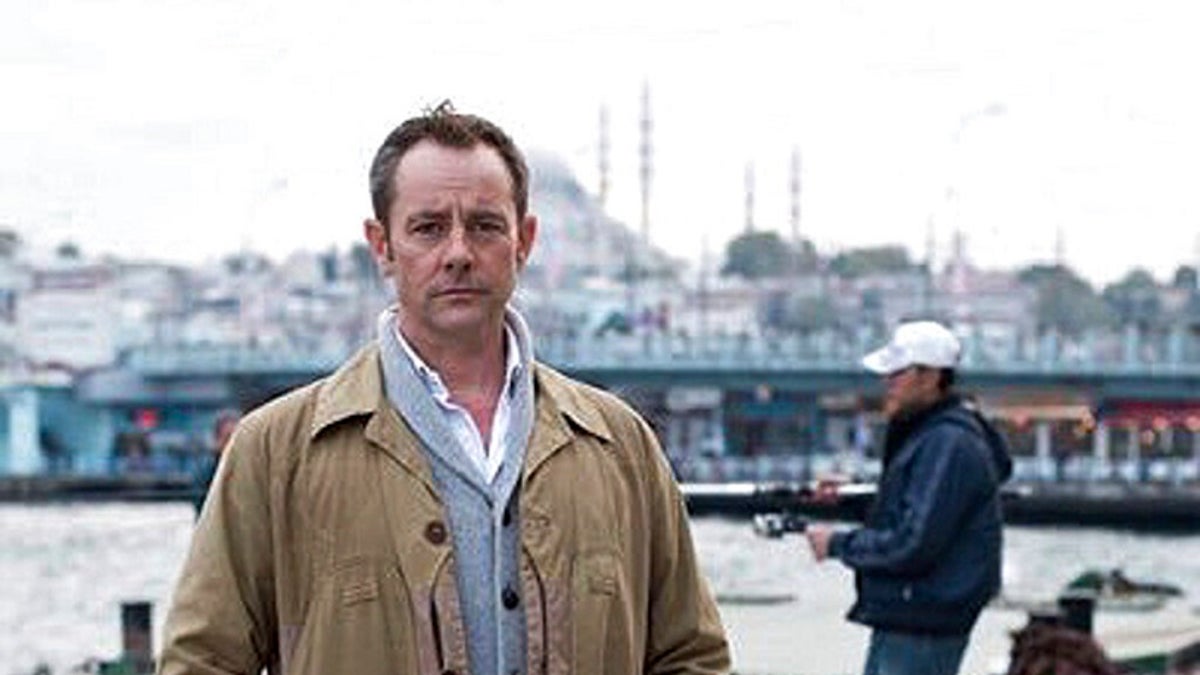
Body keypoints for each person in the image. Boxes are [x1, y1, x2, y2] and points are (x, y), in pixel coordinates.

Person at [158, 102, 730, 675]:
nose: (458, 253)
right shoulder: (275, 453)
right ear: (381, 245)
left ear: (523, 241)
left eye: (484, 226)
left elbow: (691, 656)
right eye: (428, 228)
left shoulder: (620, 446)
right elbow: (201, 661)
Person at [804, 320, 1013, 675]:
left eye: (898, 373)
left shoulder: (947, 442)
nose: (888, 383)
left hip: (922, 616)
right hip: (916, 612)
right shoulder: (940, 434)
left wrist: (838, 544)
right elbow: (919, 510)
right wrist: (848, 499)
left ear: (931, 377)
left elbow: (914, 542)